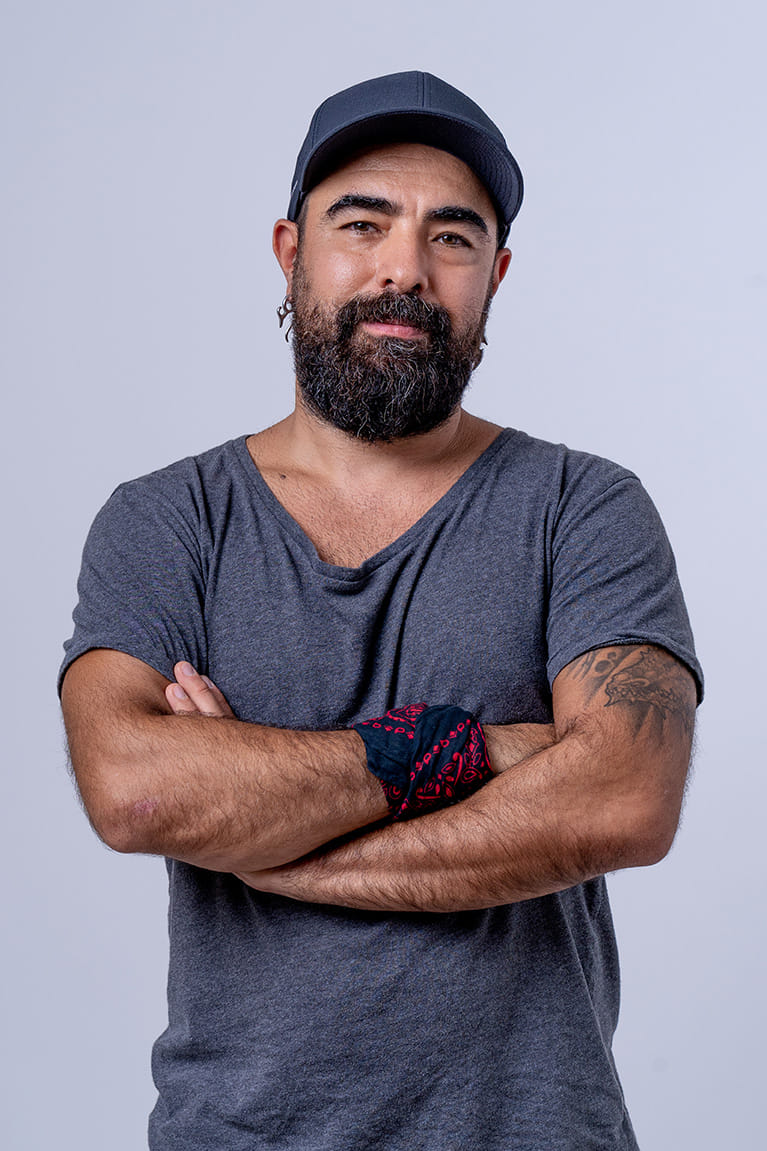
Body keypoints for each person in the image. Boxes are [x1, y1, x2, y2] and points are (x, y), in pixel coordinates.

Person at [60, 71, 703, 1150]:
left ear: (494, 276)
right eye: (361, 224)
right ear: (289, 252)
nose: (404, 267)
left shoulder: (583, 507)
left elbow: (623, 799)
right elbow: (134, 788)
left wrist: (269, 847)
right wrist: (467, 746)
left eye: (450, 237)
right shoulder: (167, 520)